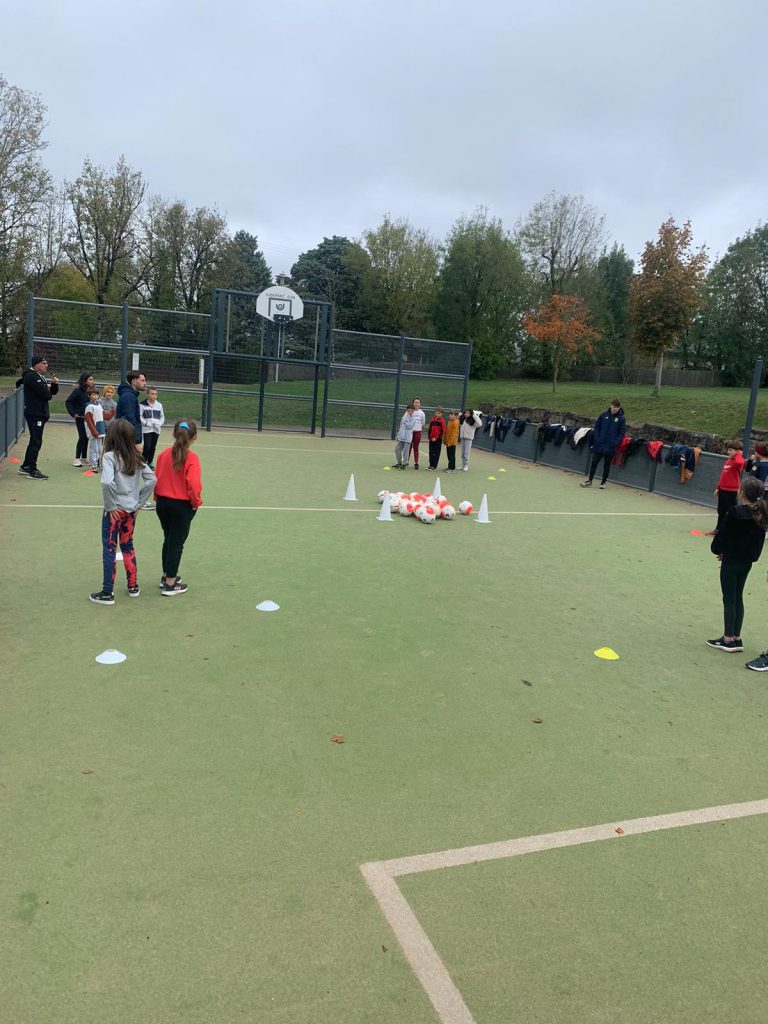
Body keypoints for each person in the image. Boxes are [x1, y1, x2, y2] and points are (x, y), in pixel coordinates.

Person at [89, 419, 156, 606]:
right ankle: (133, 585)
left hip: (115, 511)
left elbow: (106, 482)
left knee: (110, 547)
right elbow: (152, 480)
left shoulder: (110, 457)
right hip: (130, 511)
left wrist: (111, 506)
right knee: (127, 545)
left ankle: (107, 592)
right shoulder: (136, 457)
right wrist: (138, 503)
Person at [707, 476, 767, 653]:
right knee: (738, 595)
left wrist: (719, 550)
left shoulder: (735, 513)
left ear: (742, 492)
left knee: (729, 598)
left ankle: (727, 640)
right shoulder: (761, 514)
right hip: (746, 561)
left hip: (732, 560)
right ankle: (736, 637)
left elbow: (724, 535)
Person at [154, 419, 203, 596]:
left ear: (174, 434)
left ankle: (167, 575)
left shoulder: (163, 454)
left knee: (168, 539)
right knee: (176, 543)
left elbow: (156, 477)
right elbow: (194, 485)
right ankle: (170, 583)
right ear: (194, 437)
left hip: (163, 504)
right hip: (181, 506)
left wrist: (157, 497)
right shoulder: (192, 459)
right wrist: (196, 502)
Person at [17, 354, 59, 480]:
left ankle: (25, 466)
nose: (46, 366)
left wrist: (54, 384)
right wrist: (46, 389)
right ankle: (32, 469)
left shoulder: (39, 377)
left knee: (35, 440)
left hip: (39, 413)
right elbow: (46, 395)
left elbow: (52, 392)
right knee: (36, 441)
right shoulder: (32, 376)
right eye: (43, 363)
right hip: (35, 414)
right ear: (36, 364)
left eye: (46, 363)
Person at [580, 400, 626, 489]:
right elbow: (597, 427)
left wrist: (615, 442)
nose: (615, 408)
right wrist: (597, 439)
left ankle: (603, 482)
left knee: (607, 464)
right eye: (614, 406)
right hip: (599, 445)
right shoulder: (603, 415)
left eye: (617, 407)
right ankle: (590, 481)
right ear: (611, 406)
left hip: (610, 446)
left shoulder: (621, 418)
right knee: (594, 462)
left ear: (619, 408)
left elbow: (622, 433)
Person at [711, 440, 747, 534]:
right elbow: (723, 475)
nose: (728, 452)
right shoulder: (728, 461)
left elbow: (740, 463)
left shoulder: (739, 461)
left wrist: (739, 454)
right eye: (728, 450)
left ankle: (731, 530)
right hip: (722, 489)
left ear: (737, 451)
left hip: (731, 491)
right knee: (721, 511)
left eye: (731, 450)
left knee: (731, 511)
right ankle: (718, 529)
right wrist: (718, 487)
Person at [65, 371, 94, 467]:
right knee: (82, 436)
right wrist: (73, 413)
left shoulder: (91, 391)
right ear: (84, 381)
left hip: (89, 418)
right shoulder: (77, 391)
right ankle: (77, 458)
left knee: (86, 437)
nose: (92, 381)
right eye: (90, 379)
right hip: (80, 418)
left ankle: (84, 458)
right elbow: (68, 402)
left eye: (92, 379)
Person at [116, 370, 147, 447]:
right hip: (128, 441)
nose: (145, 383)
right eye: (142, 380)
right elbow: (129, 421)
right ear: (134, 381)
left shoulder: (131, 396)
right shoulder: (128, 397)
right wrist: (136, 441)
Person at [140, 387, 165, 468]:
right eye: (152, 394)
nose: (154, 396)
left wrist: (159, 424)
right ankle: (143, 461)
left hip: (156, 430)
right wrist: (146, 423)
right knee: (147, 446)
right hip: (146, 429)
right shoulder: (142, 404)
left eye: (155, 394)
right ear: (147, 394)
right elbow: (139, 416)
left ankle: (149, 462)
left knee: (153, 446)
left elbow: (162, 417)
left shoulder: (159, 405)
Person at [84, 388, 105, 471]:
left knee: (100, 448)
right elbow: (89, 421)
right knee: (94, 448)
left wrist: (112, 413)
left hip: (100, 429)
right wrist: (94, 431)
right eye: (93, 394)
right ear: (89, 396)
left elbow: (103, 416)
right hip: (94, 431)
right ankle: (93, 464)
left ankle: (99, 463)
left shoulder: (99, 405)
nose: (95, 396)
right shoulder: (89, 407)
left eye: (96, 394)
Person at [394, 404, 418, 469]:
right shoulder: (405, 415)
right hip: (401, 436)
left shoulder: (414, 418)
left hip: (408, 437)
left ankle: (404, 464)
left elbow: (409, 427)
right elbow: (401, 424)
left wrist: (407, 421)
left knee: (405, 451)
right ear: (406, 410)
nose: (410, 412)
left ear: (414, 411)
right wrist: (398, 435)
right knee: (397, 450)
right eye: (409, 410)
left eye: (411, 411)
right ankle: (399, 463)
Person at [408, 397, 426, 469]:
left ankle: (416, 463)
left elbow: (423, 422)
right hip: (410, 432)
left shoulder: (422, 413)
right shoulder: (410, 411)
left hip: (418, 432)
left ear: (420, 404)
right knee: (408, 447)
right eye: (415, 402)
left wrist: (417, 428)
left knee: (416, 447)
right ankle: (406, 461)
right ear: (413, 403)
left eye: (418, 402)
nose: (417, 404)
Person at [426, 406, 446, 470]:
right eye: (437, 413)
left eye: (439, 413)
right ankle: (431, 464)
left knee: (436, 452)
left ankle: (434, 466)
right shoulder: (432, 420)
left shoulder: (442, 421)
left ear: (442, 414)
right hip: (431, 439)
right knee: (431, 452)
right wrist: (430, 437)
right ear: (435, 413)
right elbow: (429, 429)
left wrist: (436, 438)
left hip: (438, 440)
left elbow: (443, 431)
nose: (438, 414)